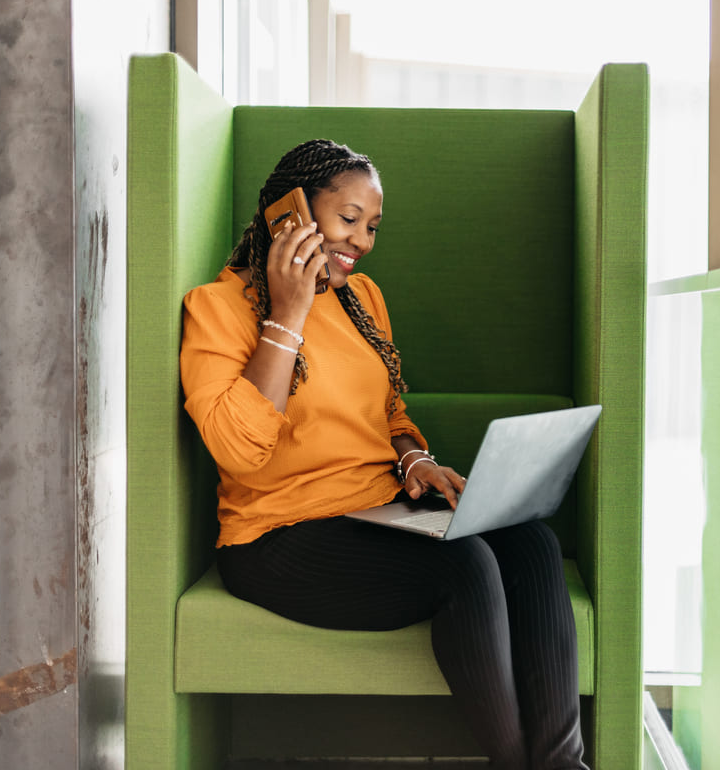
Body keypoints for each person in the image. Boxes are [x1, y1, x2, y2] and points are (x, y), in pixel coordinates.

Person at [179, 139, 590, 770]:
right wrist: (287, 314)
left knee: (530, 542)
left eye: (372, 226)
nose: (363, 241)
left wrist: (413, 461)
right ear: (287, 213)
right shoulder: (218, 309)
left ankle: (563, 764)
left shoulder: (360, 298)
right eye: (349, 220)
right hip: (277, 536)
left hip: (377, 509)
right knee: (467, 567)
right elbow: (238, 450)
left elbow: (390, 414)